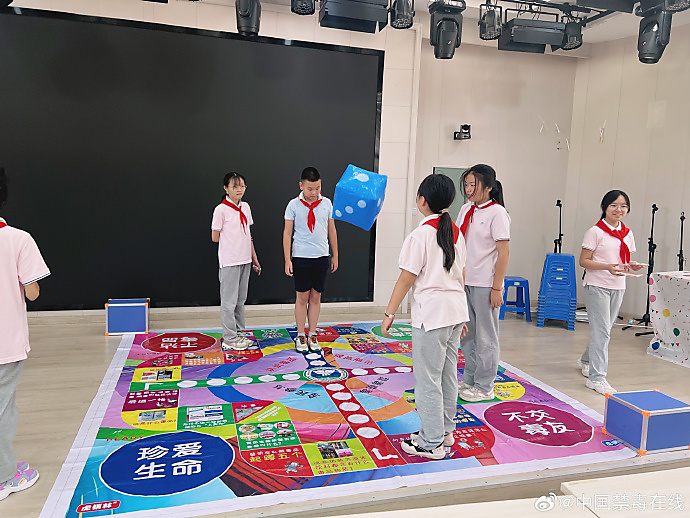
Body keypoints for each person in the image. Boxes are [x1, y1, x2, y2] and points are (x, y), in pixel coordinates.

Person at [381, 173, 468, 460]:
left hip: (432, 315)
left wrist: (389, 312)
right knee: (446, 375)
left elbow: (406, 278)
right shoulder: (455, 231)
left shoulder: (420, 235)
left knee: (428, 379)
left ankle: (431, 442)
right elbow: (462, 275)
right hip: (455, 311)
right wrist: (463, 316)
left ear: (422, 200)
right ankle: (444, 431)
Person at [0, 167, 49, 500]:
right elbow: (32, 292)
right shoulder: (18, 239)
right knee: (4, 407)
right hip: (5, 340)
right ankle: (4, 476)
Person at [579, 190, 642, 395]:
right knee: (602, 332)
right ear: (605, 207)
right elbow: (584, 261)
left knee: (604, 329)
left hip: (618, 285)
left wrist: (631, 265)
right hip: (597, 285)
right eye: (614, 205)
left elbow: (622, 260)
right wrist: (607, 267)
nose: (618, 210)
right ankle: (597, 378)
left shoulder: (627, 233)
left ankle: (586, 360)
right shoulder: (595, 232)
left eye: (623, 206)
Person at [456, 164, 510, 403]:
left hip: (486, 283)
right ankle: (470, 379)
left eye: (473, 185)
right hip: (465, 281)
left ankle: (485, 385)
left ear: (488, 187)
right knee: (467, 335)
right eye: (467, 185)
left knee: (486, 337)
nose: (469, 190)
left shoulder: (497, 213)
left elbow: (503, 253)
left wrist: (497, 287)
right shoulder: (466, 209)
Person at [283, 167, 338, 353]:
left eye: (318, 188)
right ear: (301, 185)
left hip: (321, 256)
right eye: (310, 189)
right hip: (301, 257)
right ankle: (300, 335)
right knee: (302, 297)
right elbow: (287, 233)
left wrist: (335, 254)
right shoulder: (293, 205)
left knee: (316, 297)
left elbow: (332, 230)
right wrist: (287, 259)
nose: (314, 193)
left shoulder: (327, 203)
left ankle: (312, 333)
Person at [211, 172, 261, 351]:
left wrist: (254, 258)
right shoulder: (221, 210)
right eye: (235, 186)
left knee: (240, 300)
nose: (239, 190)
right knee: (229, 302)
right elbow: (215, 237)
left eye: (242, 186)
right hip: (230, 261)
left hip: (245, 259)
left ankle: (239, 334)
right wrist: (231, 241)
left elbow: (248, 235)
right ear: (226, 188)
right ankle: (230, 338)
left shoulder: (245, 207)